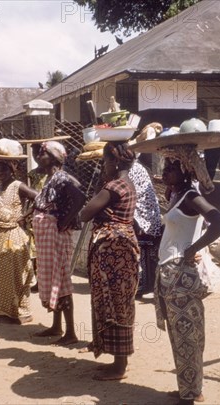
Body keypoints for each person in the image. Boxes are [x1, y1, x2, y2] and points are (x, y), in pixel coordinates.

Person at [153, 145, 220, 405]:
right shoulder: (178, 196)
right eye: (165, 167)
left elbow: (219, 222)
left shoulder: (191, 197)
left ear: (185, 171)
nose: (166, 172)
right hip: (170, 274)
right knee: (179, 334)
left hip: (181, 276)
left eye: (172, 168)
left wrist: (194, 248)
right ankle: (189, 387)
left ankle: (191, 393)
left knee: (188, 335)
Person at [79, 141, 140, 381]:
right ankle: (118, 359)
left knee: (114, 303)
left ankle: (120, 366)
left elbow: (84, 214)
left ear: (114, 162)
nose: (103, 166)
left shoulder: (114, 186)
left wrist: (97, 210)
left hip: (113, 250)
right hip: (122, 248)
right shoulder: (128, 184)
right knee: (120, 302)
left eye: (105, 161)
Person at [32, 141, 85, 345]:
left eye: (43, 153)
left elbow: (80, 196)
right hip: (48, 235)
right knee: (54, 279)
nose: (39, 156)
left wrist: (64, 220)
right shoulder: (52, 178)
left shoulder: (61, 177)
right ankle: (56, 326)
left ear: (53, 156)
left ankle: (70, 332)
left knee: (61, 280)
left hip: (56, 235)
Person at [0, 160, 38, 324]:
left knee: (14, 274)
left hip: (11, 237)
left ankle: (19, 312)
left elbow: (39, 197)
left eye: (3, 169)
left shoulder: (18, 186)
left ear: (11, 170)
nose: (0, 172)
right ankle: (2, 310)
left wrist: (24, 215)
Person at [129, 158, 162, 297]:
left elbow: (132, 197)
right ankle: (147, 284)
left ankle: (146, 285)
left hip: (143, 216)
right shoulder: (136, 168)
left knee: (145, 253)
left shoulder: (132, 170)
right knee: (146, 253)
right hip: (145, 216)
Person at [26, 143, 47, 292]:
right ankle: (39, 280)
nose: (36, 156)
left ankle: (46, 279)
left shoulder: (52, 173)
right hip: (34, 213)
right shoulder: (32, 173)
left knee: (45, 249)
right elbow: (29, 193)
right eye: (33, 153)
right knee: (33, 250)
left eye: (38, 152)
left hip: (48, 214)